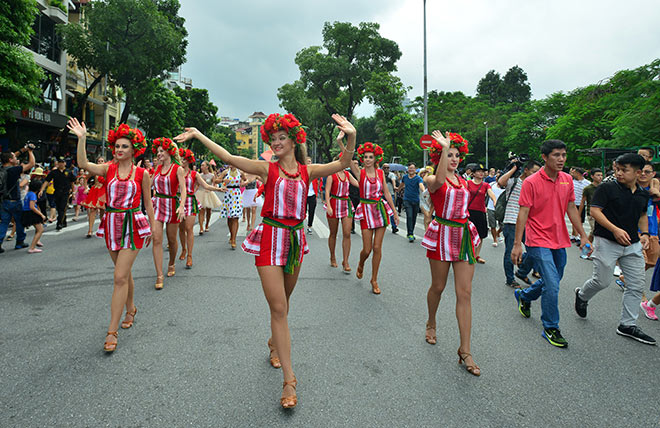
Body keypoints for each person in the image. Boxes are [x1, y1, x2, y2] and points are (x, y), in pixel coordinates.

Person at [175, 112, 356, 409]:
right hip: (270, 238)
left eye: (282, 137)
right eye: (273, 139)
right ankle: (289, 380)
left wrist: (351, 135)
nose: (276, 142)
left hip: (295, 240)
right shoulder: (265, 168)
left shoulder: (308, 170)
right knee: (279, 307)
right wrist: (198, 134)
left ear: (294, 140)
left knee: (284, 300)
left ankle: (274, 342)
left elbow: (344, 163)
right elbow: (229, 157)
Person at [69, 118, 155, 353]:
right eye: (117, 146)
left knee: (119, 277)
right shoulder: (108, 169)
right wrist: (82, 138)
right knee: (123, 274)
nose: (119, 150)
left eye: (124, 146)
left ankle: (111, 331)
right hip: (111, 224)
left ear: (134, 149)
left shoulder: (142, 174)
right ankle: (131, 309)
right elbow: (83, 163)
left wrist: (154, 228)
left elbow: (148, 204)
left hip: (133, 225)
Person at [512, 140, 591, 348]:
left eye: (564, 155)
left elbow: (571, 208)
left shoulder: (566, 179)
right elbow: (523, 212)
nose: (561, 159)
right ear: (545, 157)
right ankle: (550, 327)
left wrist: (582, 235)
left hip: (559, 238)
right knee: (552, 284)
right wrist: (517, 244)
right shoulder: (531, 182)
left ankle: (524, 296)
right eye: (556, 155)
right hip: (537, 239)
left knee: (554, 279)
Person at [574, 154, 656, 345]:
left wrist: (644, 233)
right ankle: (582, 295)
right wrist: (615, 229)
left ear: (638, 172)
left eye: (624, 170)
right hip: (607, 241)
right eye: (617, 169)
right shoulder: (607, 188)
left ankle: (627, 325)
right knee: (602, 281)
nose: (619, 173)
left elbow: (643, 215)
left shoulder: (643, 194)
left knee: (636, 285)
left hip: (632, 244)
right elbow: (595, 211)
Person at [421, 131, 481, 376]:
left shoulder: (464, 182)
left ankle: (465, 350)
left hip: (463, 235)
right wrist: (443, 148)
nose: (454, 159)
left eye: (457, 155)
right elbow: (435, 185)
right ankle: (431, 321)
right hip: (442, 233)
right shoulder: (433, 179)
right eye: (450, 155)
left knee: (464, 292)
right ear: (440, 156)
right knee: (438, 286)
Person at [351, 142, 399, 294]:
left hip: (379, 210)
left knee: (377, 247)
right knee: (367, 249)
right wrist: (341, 141)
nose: (367, 159)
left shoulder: (380, 173)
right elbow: (346, 159)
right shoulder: (360, 173)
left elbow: (386, 192)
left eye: (370, 157)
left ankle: (374, 279)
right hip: (365, 210)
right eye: (365, 157)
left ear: (375, 158)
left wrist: (395, 212)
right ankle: (361, 263)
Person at [498, 160, 542, 287]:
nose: (536, 175)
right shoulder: (514, 182)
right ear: (526, 170)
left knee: (535, 250)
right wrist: (514, 168)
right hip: (511, 221)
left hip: (527, 223)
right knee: (510, 251)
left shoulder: (534, 185)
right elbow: (501, 182)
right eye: (534, 172)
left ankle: (522, 271)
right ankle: (510, 279)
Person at [177, 148, 222, 268]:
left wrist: (218, 189)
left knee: (189, 228)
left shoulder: (194, 174)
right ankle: (183, 249)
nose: (182, 161)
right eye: (180, 158)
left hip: (190, 200)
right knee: (181, 229)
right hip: (179, 201)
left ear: (189, 161)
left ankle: (190, 255)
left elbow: (206, 185)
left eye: (184, 159)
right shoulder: (177, 172)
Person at [151, 137, 186, 289]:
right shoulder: (157, 169)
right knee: (156, 239)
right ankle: (159, 274)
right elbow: (149, 184)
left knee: (172, 240)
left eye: (161, 151)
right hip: (158, 205)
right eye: (157, 151)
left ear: (169, 152)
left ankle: (171, 263)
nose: (158, 154)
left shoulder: (177, 168)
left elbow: (183, 189)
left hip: (172, 205)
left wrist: (182, 205)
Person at [325, 145, 359, 272]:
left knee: (346, 233)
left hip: (346, 204)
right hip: (334, 203)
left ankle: (346, 260)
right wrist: (328, 205)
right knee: (333, 233)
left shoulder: (348, 175)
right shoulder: (331, 175)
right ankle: (332, 256)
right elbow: (327, 192)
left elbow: (358, 184)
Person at [0, 144, 35, 252]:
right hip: (14, 200)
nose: (16, 158)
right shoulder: (14, 170)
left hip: (3, 200)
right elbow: (31, 164)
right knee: (19, 222)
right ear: (10, 160)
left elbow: (7, 156)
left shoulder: (2, 169)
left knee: (4, 223)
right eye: (14, 157)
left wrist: (22, 149)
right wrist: (29, 151)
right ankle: (20, 242)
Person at [466, 164, 497, 263]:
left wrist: (494, 200)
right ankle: (467, 253)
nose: (481, 173)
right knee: (468, 234)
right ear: (473, 173)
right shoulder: (468, 183)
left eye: (483, 171)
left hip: (480, 212)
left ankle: (476, 255)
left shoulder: (485, 185)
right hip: (469, 212)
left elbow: (491, 193)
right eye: (479, 171)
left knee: (481, 234)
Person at [41, 157, 75, 231]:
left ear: (65, 163)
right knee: (59, 208)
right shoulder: (54, 172)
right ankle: (64, 220)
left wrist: (73, 192)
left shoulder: (68, 172)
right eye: (59, 162)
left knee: (62, 207)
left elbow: (72, 182)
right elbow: (47, 181)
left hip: (65, 192)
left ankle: (59, 223)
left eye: (62, 162)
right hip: (57, 192)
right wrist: (42, 190)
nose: (61, 164)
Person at [397, 162, 425, 242]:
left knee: (414, 217)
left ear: (415, 169)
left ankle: (411, 231)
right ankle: (410, 233)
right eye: (410, 168)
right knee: (409, 216)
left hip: (416, 200)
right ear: (408, 169)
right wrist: (398, 189)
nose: (411, 169)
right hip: (407, 200)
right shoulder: (405, 177)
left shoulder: (418, 178)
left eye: (412, 168)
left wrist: (424, 191)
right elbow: (402, 185)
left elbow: (421, 185)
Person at [81, 157, 107, 238]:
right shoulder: (95, 170)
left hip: (104, 192)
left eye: (102, 161)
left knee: (103, 211)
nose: (100, 162)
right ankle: (90, 230)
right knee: (92, 210)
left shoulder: (107, 170)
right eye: (99, 161)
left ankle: (103, 229)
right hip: (95, 191)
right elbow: (85, 178)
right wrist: (86, 188)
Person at [218, 165, 242, 249]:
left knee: (235, 217)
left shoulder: (240, 172)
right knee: (229, 217)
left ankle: (234, 239)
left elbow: (246, 180)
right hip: (228, 195)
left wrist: (243, 183)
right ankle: (232, 235)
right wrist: (223, 180)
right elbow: (216, 180)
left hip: (237, 195)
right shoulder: (226, 172)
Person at [196, 160, 222, 234]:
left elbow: (214, 184)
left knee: (208, 211)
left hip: (209, 193)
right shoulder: (199, 175)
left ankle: (207, 225)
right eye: (201, 165)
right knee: (201, 211)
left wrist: (213, 188)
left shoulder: (212, 175)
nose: (201, 167)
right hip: (200, 193)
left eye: (203, 165)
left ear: (207, 167)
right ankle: (201, 227)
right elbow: (197, 185)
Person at [579, 168, 603, 245]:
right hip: (591, 213)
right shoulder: (588, 188)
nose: (600, 177)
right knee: (594, 230)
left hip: (602, 213)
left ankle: (588, 246)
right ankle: (587, 247)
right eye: (598, 175)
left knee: (596, 231)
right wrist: (579, 214)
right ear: (592, 176)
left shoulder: (604, 187)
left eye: (601, 175)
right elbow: (583, 202)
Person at [22, 180, 46, 253]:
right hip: (31, 213)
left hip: (26, 212)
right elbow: (32, 206)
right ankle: (32, 248)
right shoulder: (33, 195)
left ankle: (37, 240)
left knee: (38, 228)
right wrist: (41, 214)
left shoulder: (28, 193)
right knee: (40, 229)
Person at [570, 167, 590, 243]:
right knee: (574, 220)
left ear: (578, 173)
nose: (572, 174)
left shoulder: (587, 183)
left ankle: (576, 235)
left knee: (580, 220)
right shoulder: (571, 182)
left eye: (573, 172)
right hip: (573, 204)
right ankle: (575, 235)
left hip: (582, 204)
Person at [486, 176, 504, 246]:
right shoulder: (491, 185)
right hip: (491, 207)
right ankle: (495, 240)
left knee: (503, 226)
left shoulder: (506, 187)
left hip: (501, 209)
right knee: (492, 225)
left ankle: (497, 233)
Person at [305, 157, 321, 234]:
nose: (309, 163)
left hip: (312, 194)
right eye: (307, 161)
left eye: (310, 161)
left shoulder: (314, 173)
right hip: (304, 195)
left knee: (312, 211)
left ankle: (309, 226)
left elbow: (318, 182)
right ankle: (300, 225)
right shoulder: (302, 172)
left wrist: (317, 193)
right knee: (302, 212)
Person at [382, 163, 399, 233]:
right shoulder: (380, 174)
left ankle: (394, 226)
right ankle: (382, 224)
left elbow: (393, 180)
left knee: (392, 210)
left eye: (387, 168)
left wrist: (394, 186)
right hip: (381, 194)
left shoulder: (391, 175)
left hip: (390, 194)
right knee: (381, 210)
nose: (386, 169)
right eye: (385, 168)